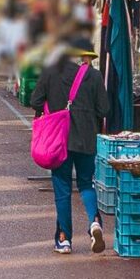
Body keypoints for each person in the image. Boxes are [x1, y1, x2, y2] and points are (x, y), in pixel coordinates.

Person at [33, 36, 109, 253]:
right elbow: (104, 110)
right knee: (86, 183)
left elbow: (35, 101)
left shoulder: (51, 71)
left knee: (63, 188)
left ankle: (64, 238)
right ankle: (94, 221)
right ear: (84, 56)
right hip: (86, 139)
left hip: (58, 140)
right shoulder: (94, 76)